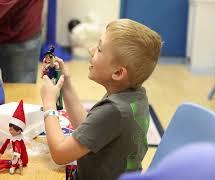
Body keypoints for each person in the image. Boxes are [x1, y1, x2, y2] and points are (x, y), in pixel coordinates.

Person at [40, 19, 162, 180]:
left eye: (99, 49)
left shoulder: (115, 110)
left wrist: (49, 103)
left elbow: (60, 154)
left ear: (118, 73)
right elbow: (88, 130)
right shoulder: (133, 96)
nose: (91, 50)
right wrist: (66, 83)